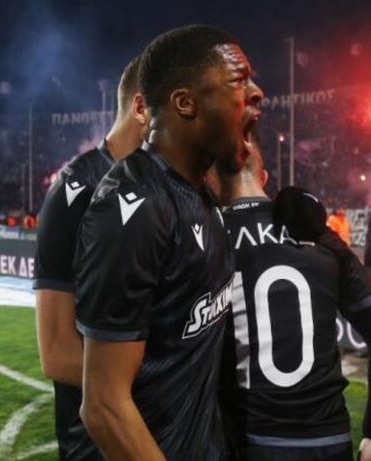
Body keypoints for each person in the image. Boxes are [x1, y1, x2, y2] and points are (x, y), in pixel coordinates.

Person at [74, 25, 263, 460]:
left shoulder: (199, 195)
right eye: (239, 80)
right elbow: (103, 405)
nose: (257, 92)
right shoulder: (132, 208)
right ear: (184, 103)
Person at [208, 142, 371, 461]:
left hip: (252, 441)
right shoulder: (321, 235)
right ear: (264, 177)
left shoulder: (209, 239)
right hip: (329, 439)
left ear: (208, 177)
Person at [33, 56, 147, 460]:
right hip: (93, 445)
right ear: (141, 107)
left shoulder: (170, 189)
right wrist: (168, 379)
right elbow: (56, 352)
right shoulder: (75, 190)